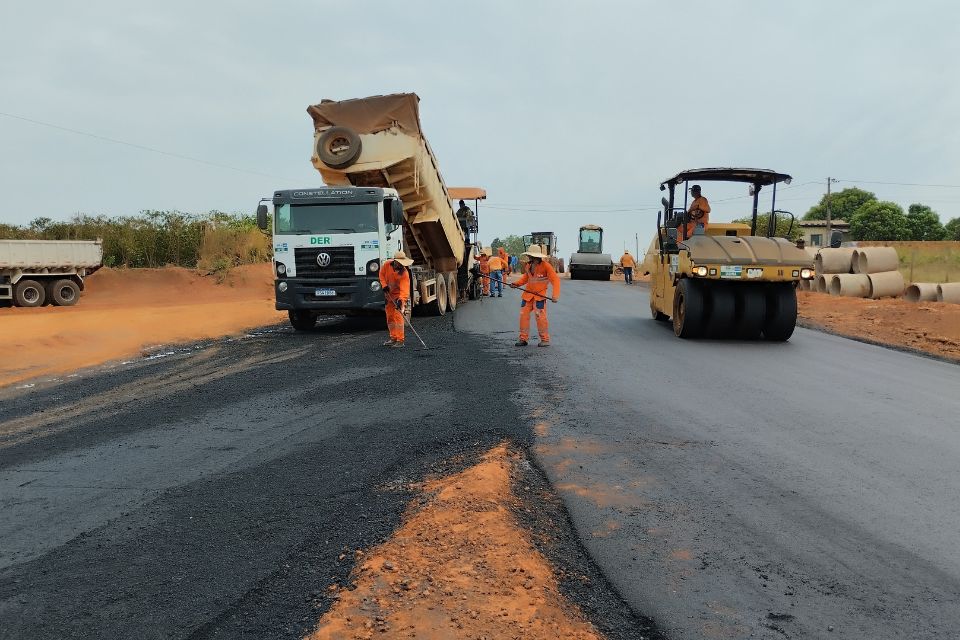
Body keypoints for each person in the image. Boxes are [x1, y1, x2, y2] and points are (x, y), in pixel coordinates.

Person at [510, 245, 560, 347]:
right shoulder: (528, 266)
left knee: (540, 318)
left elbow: (555, 280)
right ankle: (523, 339)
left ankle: (545, 340)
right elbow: (525, 279)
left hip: (539, 296)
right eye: (529, 255)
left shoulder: (546, 266)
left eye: (530, 256)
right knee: (523, 316)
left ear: (536, 257)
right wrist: (516, 284)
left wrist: (555, 295)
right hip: (527, 295)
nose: (529, 257)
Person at [379, 250, 414, 348]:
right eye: (399, 262)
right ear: (395, 261)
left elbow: (405, 289)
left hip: (399, 297)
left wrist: (401, 300)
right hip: (389, 295)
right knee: (390, 317)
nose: (401, 264)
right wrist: (384, 285)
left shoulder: (404, 273)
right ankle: (393, 338)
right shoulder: (386, 265)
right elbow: (381, 275)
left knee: (398, 317)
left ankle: (400, 340)